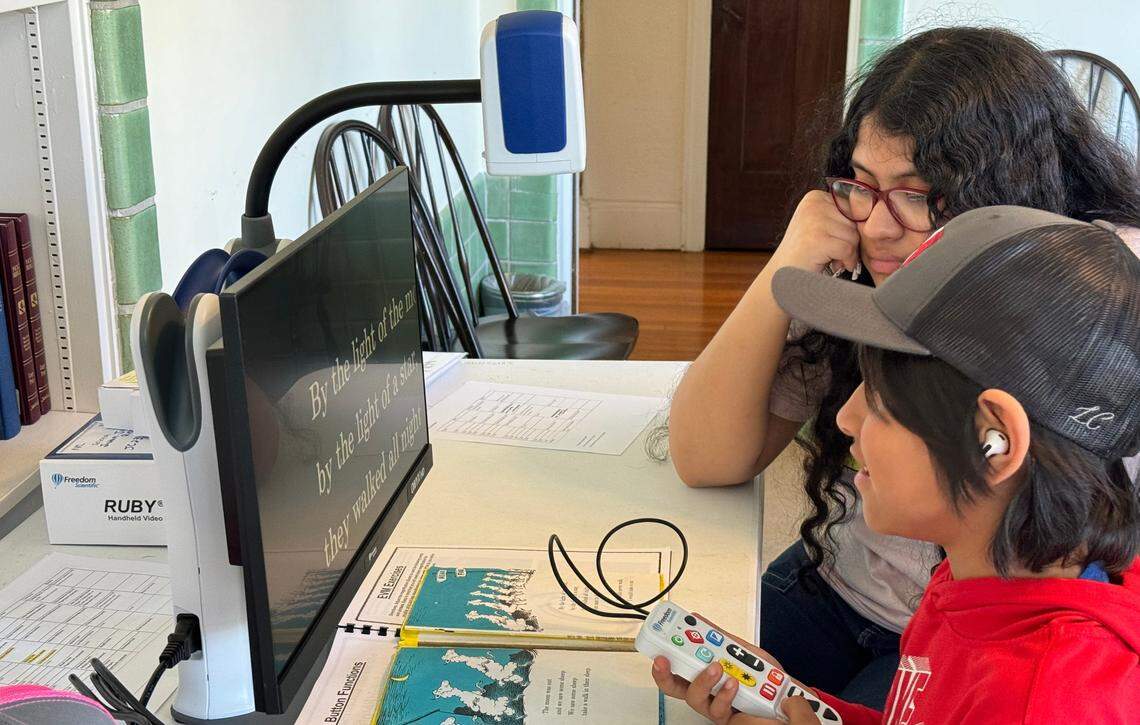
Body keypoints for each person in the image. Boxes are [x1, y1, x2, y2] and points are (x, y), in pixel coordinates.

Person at [667, 26, 1140, 707]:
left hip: (984, 632)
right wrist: (786, 262)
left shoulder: (1093, 302)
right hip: (881, 596)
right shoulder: (859, 267)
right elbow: (705, 456)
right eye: (860, 185)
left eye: (920, 194)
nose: (878, 226)